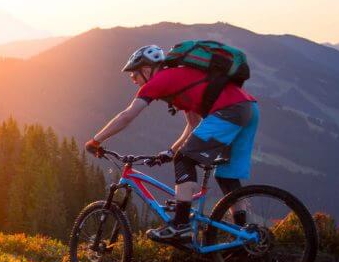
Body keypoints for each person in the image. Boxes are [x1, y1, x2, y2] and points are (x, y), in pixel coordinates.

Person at [84, 45, 259, 244]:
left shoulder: (159, 81)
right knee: (227, 176)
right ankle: (243, 236)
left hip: (229, 110)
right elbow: (193, 125)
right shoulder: (178, 79)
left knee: (184, 158)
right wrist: (170, 151)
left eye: (134, 73)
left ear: (147, 69)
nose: (132, 79)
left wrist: (96, 140)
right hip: (249, 109)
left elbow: (127, 116)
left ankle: (181, 226)